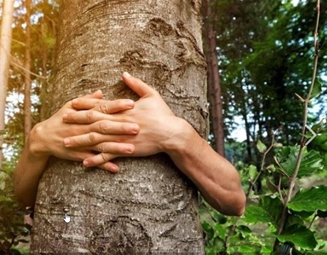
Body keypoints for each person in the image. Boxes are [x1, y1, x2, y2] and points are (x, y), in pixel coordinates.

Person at [14, 72, 246, 216]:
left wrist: (176, 135)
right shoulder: (52, 122)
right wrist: (36, 141)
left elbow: (234, 202)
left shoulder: (175, 131)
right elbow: (23, 198)